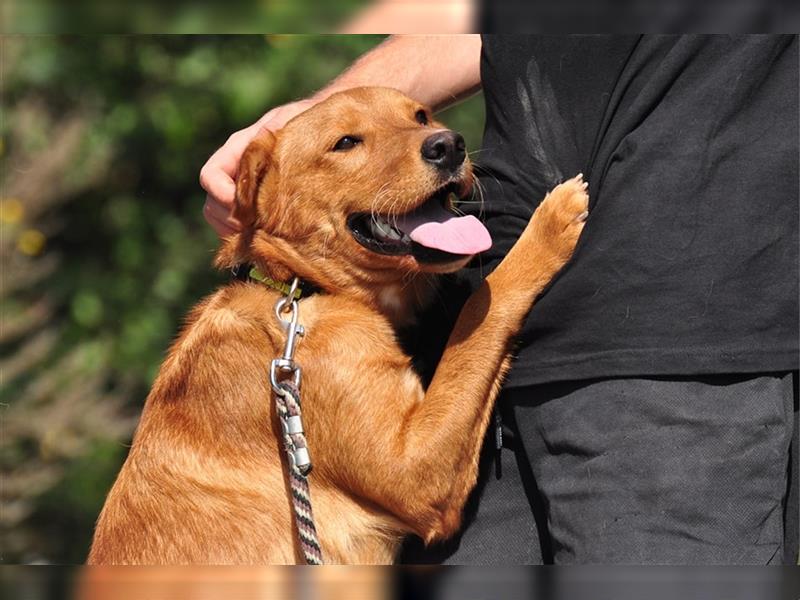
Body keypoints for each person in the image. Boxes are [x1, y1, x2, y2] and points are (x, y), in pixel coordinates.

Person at [200, 34, 799, 564]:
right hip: (475, 376)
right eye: (351, 143)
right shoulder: (279, 340)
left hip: (667, 341)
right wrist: (307, 119)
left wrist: (515, 279)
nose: (435, 138)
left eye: (422, 120)